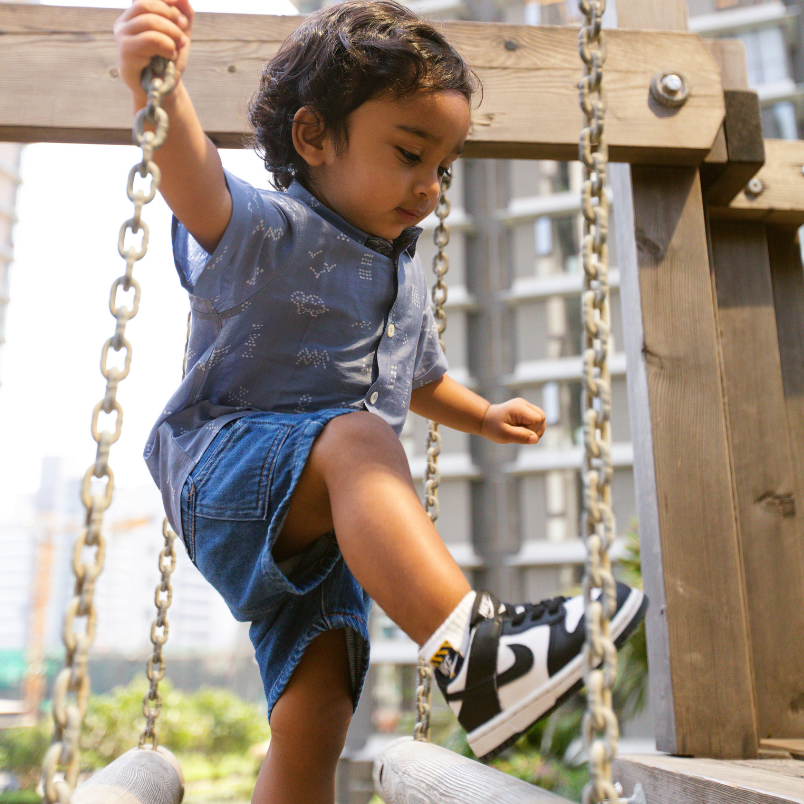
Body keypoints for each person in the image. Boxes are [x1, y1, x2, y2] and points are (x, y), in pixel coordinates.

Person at [115, 2, 647, 802]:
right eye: (408, 153)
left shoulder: (398, 277)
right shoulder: (269, 229)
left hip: (329, 527)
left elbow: (419, 380)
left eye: (444, 166)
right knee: (360, 438)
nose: (429, 186)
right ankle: (481, 654)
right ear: (314, 138)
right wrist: (157, 83)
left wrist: (482, 415)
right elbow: (193, 178)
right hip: (229, 475)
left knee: (319, 709)